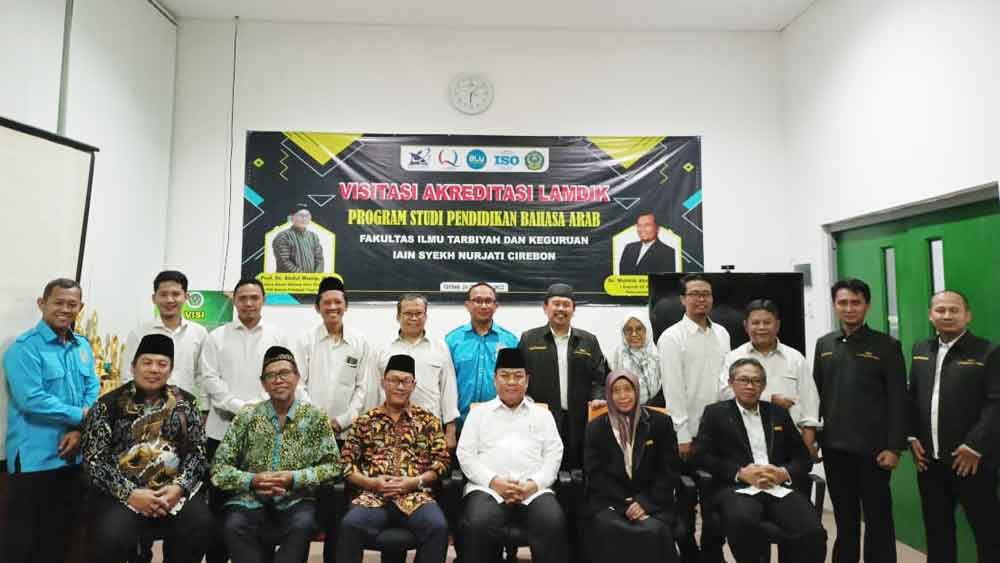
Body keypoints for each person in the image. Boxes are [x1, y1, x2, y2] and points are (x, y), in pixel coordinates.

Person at [82, 334, 212, 563]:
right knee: (112, 535)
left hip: (172, 491)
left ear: (170, 370)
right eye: (147, 362)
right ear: (133, 367)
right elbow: (94, 460)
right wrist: (131, 494)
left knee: (200, 523)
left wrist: (179, 488)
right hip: (123, 493)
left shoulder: (186, 403)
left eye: (162, 364)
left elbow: (198, 453)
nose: (154, 369)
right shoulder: (108, 405)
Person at [211, 345, 340, 563]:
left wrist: (294, 478)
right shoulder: (247, 416)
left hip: (296, 499)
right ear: (263, 384)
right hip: (250, 498)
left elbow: (334, 467)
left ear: (297, 377)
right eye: (271, 376)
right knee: (234, 525)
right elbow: (218, 468)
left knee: (302, 524)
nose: (278, 380)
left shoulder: (315, 418)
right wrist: (252, 480)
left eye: (284, 373)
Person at [3, 278, 100, 562]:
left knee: (60, 539)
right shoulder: (24, 348)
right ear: (42, 303)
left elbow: (92, 388)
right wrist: (82, 416)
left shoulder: (82, 346)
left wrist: (79, 428)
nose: (65, 309)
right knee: (23, 543)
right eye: (58, 302)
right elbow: (31, 399)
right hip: (34, 460)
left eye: (72, 304)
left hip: (72, 458)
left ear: (80, 307)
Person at [696, 359, 826, 563]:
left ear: (764, 385)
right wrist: (740, 473)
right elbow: (703, 456)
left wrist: (783, 473)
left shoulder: (777, 413)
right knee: (744, 523)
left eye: (756, 381)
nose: (750, 386)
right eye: (743, 380)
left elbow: (802, 458)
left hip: (778, 487)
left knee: (812, 531)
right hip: (738, 488)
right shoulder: (715, 413)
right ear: (731, 383)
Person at [813, 278, 906, 563]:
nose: (849, 308)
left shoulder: (886, 345)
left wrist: (894, 447)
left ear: (867, 306)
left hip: (874, 450)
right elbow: (816, 395)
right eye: (843, 302)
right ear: (834, 305)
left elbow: (898, 399)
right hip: (834, 448)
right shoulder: (824, 344)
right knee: (845, 519)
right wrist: (813, 438)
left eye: (856, 302)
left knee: (878, 519)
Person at [198, 277, 287, 562]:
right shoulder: (216, 337)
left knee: (261, 503)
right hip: (221, 431)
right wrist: (239, 406)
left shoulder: (278, 337)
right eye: (243, 298)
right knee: (219, 503)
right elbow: (210, 378)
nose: (249, 303)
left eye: (254, 298)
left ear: (263, 301)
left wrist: (258, 407)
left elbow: (282, 376)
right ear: (234, 301)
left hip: (265, 433)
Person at [907, 290, 1000, 563]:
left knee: (989, 535)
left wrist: (974, 446)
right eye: (940, 310)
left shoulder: (988, 351)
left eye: (954, 310)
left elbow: (996, 403)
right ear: (930, 315)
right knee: (938, 535)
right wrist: (911, 436)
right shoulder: (920, 350)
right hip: (930, 464)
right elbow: (912, 397)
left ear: (967, 315)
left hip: (973, 463)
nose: (947, 315)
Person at [336, 354, 451, 563]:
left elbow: (442, 462)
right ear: (383, 383)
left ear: (413, 385)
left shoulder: (428, 421)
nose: (399, 387)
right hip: (372, 497)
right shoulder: (365, 421)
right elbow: (346, 464)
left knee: (438, 526)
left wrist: (415, 482)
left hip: (415, 496)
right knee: (350, 525)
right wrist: (371, 483)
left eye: (405, 381)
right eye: (393, 380)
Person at [457, 348, 568, 563]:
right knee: (478, 523)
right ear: (494, 379)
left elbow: (554, 455)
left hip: (533, 490)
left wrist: (534, 484)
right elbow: (466, 454)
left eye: (518, 376)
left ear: (527, 381)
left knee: (552, 521)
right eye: (505, 376)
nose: (511, 382)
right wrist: (494, 481)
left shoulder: (542, 415)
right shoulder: (478, 414)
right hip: (488, 489)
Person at [658, 273, 731, 561]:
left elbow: (726, 381)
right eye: (695, 294)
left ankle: (712, 551)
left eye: (706, 294)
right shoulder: (672, 337)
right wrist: (682, 434)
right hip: (688, 433)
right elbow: (673, 388)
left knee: (717, 496)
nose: (701, 299)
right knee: (685, 497)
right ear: (682, 300)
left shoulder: (722, 334)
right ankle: (687, 551)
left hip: (720, 431)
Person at [583, 369, 680, 563]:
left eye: (628, 389)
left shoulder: (660, 423)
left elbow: (669, 470)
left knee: (653, 530)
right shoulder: (596, 427)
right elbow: (595, 473)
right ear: (608, 395)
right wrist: (625, 503)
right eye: (616, 391)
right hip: (611, 501)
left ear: (637, 391)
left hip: (653, 501)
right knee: (608, 528)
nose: (623, 396)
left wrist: (643, 503)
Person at [519, 282, 608, 469]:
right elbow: (520, 376)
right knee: (544, 467)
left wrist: (598, 397)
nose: (561, 309)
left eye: (566, 304)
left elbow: (600, 377)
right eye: (556, 304)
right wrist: (525, 400)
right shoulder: (529, 339)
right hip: (541, 419)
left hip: (579, 419)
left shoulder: (588, 340)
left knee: (578, 468)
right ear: (545, 307)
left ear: (574, 309)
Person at [718, 299, 820, 460]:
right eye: (755, 323)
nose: (761, 328)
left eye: (767, 322)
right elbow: (725, 393)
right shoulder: (734, 357)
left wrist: (808, 443)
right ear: (746, 326)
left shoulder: (795, 358)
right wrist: (770, 399)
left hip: (789, 440)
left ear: (777, 325)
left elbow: (810, 404)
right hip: (744, 441)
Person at [375, 294, 459, 449]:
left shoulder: (440, 348)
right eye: (408, 313)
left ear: (426, 316)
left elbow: (449, 389)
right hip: (389, 429)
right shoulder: (383, 348)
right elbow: (374, 390)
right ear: (398, 316)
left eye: (418, 313)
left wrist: (450, 430)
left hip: (430, 430)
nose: (414, 318)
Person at [123, 270, 209, 408]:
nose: (169, 300)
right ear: (154, 298)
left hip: (185, 409)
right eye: (163, 294)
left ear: (186, 297)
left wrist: (204, 409)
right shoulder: (139, 333)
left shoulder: (199, 333)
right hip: (147, 410)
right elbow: (128, 375)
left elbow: (203, 376)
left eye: (175, 294)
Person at [445, 282, 519, 430]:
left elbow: (517, 382)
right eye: (477, 301)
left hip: (500, 423)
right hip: (461, 422)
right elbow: (445, 384)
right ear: (467, 305)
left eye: (488, 301)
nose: (483, 306)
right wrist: (450, 425)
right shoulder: (452, 340)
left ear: (496, 306)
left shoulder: (510, 341)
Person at [610, 314, 664, 406]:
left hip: (656, 410)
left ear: (647, 330)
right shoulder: (614, 357)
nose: (634, 334)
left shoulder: (659, 356)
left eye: (639, 329)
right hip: (622, 409)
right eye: (629, 330)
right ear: (623, 333)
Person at [273, 208, 324, 273]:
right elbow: (284, 261)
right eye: (301, 215)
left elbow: (319, 259)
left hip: (312, 279)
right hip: (289, 278)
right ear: (292, 218)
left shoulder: (313, 236)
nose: (304, 218)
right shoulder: (283, 236)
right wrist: (303, 276)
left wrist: (317, 275)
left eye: (307, 215)